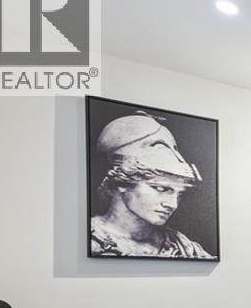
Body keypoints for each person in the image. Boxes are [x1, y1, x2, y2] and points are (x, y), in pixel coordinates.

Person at [90, 111, 214, 259]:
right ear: (122, 182)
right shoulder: (90, 238)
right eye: (161, 188)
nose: (173, 205)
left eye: (179, 193)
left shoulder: (184, 247)